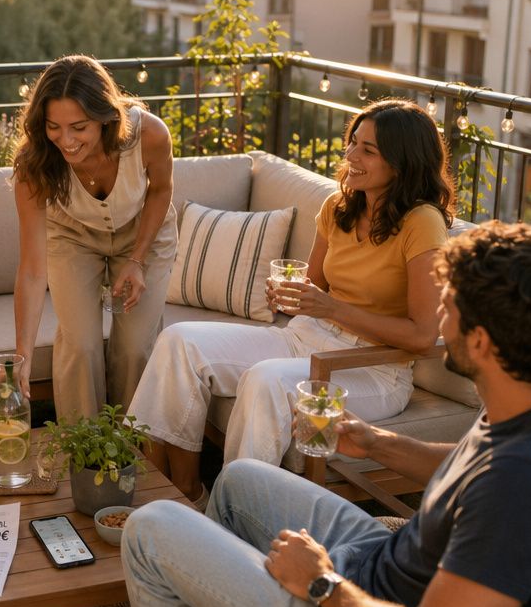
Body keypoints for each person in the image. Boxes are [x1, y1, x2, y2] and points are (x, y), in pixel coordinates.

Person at [122, 221, 531, 607]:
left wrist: (319, 583)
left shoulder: (523, 487)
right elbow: (473, 469)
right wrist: (380, 443)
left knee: (150, 528)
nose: (438, 318)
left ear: (482, 341)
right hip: (383, 564)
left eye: (449, 306)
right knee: (238, 480)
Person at [128, 98, 454, 507]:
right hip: (305, 337)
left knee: (267, 380)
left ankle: (235, 515)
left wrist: (330, 307)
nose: (350, 155)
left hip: (371, 368)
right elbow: (313, 287)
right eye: (352, 143)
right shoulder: (338, 207)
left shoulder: (422, 222)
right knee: (180, 341)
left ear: (403, 162)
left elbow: (424, 337)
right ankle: (186, 494)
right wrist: (290, 297)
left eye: (367, 150)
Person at [3, 55, 178, 419]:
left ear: (105, 117)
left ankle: (131, 450)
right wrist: (22, 356)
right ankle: (85, 454)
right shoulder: (33, 164)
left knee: (134, 348)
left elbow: (161, 191)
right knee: (80, 346)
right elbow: (33, 271)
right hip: (73, 237)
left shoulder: (150, 134)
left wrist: (137, 260)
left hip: (142, 235)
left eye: (79, 127)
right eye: (53, 126)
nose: (65, 141)